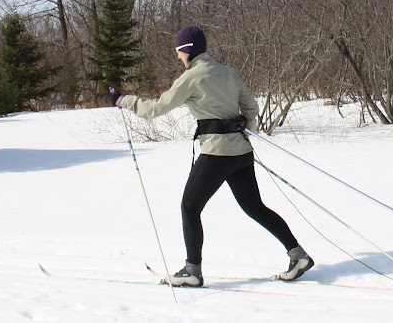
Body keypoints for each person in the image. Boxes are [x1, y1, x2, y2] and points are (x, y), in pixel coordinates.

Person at [111, 26, 314, 287]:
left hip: (216, 155)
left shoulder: (191, 78)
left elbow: (156, 108)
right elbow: (250, 107)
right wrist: (246, 132)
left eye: (178, 52)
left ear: (186, 51)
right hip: (241, 154)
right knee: (254, 207)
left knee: (190, 207)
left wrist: (123, 100)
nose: (177, 57)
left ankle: (192, 270)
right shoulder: (228, 72)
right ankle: (297, 255)